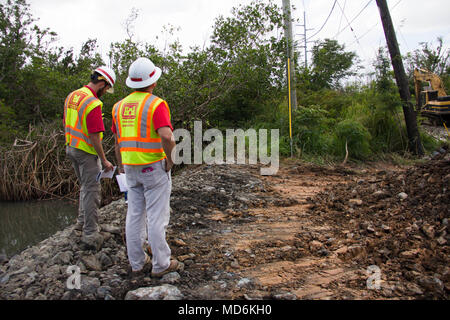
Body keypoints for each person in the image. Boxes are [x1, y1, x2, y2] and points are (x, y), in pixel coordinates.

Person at [111, 57, 182, 277]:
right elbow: (167, 137)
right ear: (153, 82)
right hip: (153, 167)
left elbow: (117, 142)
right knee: (157, 217)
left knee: (134, 215)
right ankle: (161, 264)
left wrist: (122, 166)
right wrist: (170, 161)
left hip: (130, 168)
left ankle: (137, 263)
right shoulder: (156, 104)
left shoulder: (118, 106)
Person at [64, 66, 116, 249]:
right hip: (86, 152)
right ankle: (90, 232)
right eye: (106, 88)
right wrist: (104, 159)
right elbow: (94, 135)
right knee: (92, 189)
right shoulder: (92, 103)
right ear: (101, 83)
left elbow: (67, 122)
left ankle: (81, 223)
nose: (105, 92)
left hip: (71, 147)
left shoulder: (73, 95)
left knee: (84, 187)